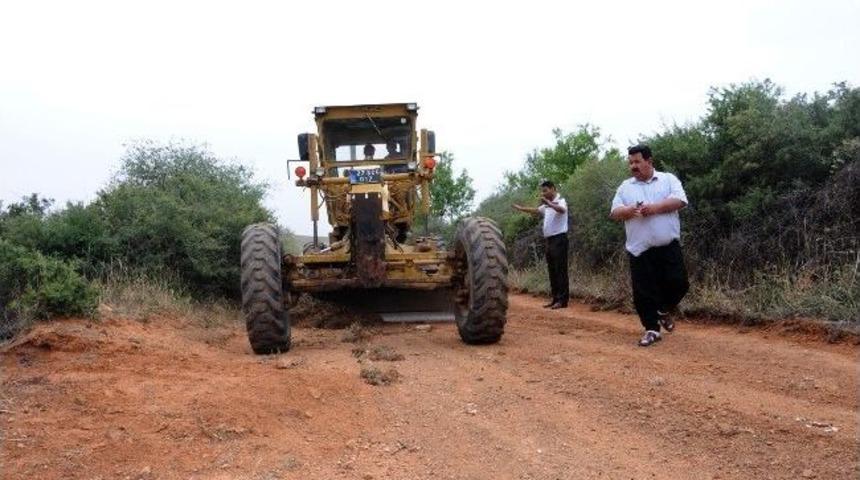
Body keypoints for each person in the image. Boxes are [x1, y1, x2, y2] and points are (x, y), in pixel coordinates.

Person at [610, 144, 690, 347]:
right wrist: (628, 210)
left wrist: (654, 208)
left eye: (637, 162)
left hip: (668, 245)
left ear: (649, 161)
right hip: (639, 249)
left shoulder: (668, 179)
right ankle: (651, 329)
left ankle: (663, 310)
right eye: (630, 163)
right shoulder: (625, 186)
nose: (633, 166)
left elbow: (680, 201)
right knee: (643, 292)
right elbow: (614, 212)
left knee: (679, 283)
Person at [512, 180, 569, 309]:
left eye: (545, 191)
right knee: (552, 270)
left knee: (560, 270)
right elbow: (535, 210)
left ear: (553, 189)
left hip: (559, 239)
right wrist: (520, 208)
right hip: (549, 240)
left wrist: (548, 203)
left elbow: (562, 210)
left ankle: (563, 300)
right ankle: (555, 299)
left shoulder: (561, 201)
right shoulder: (546, 206)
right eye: (542, 191)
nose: (543, 193)